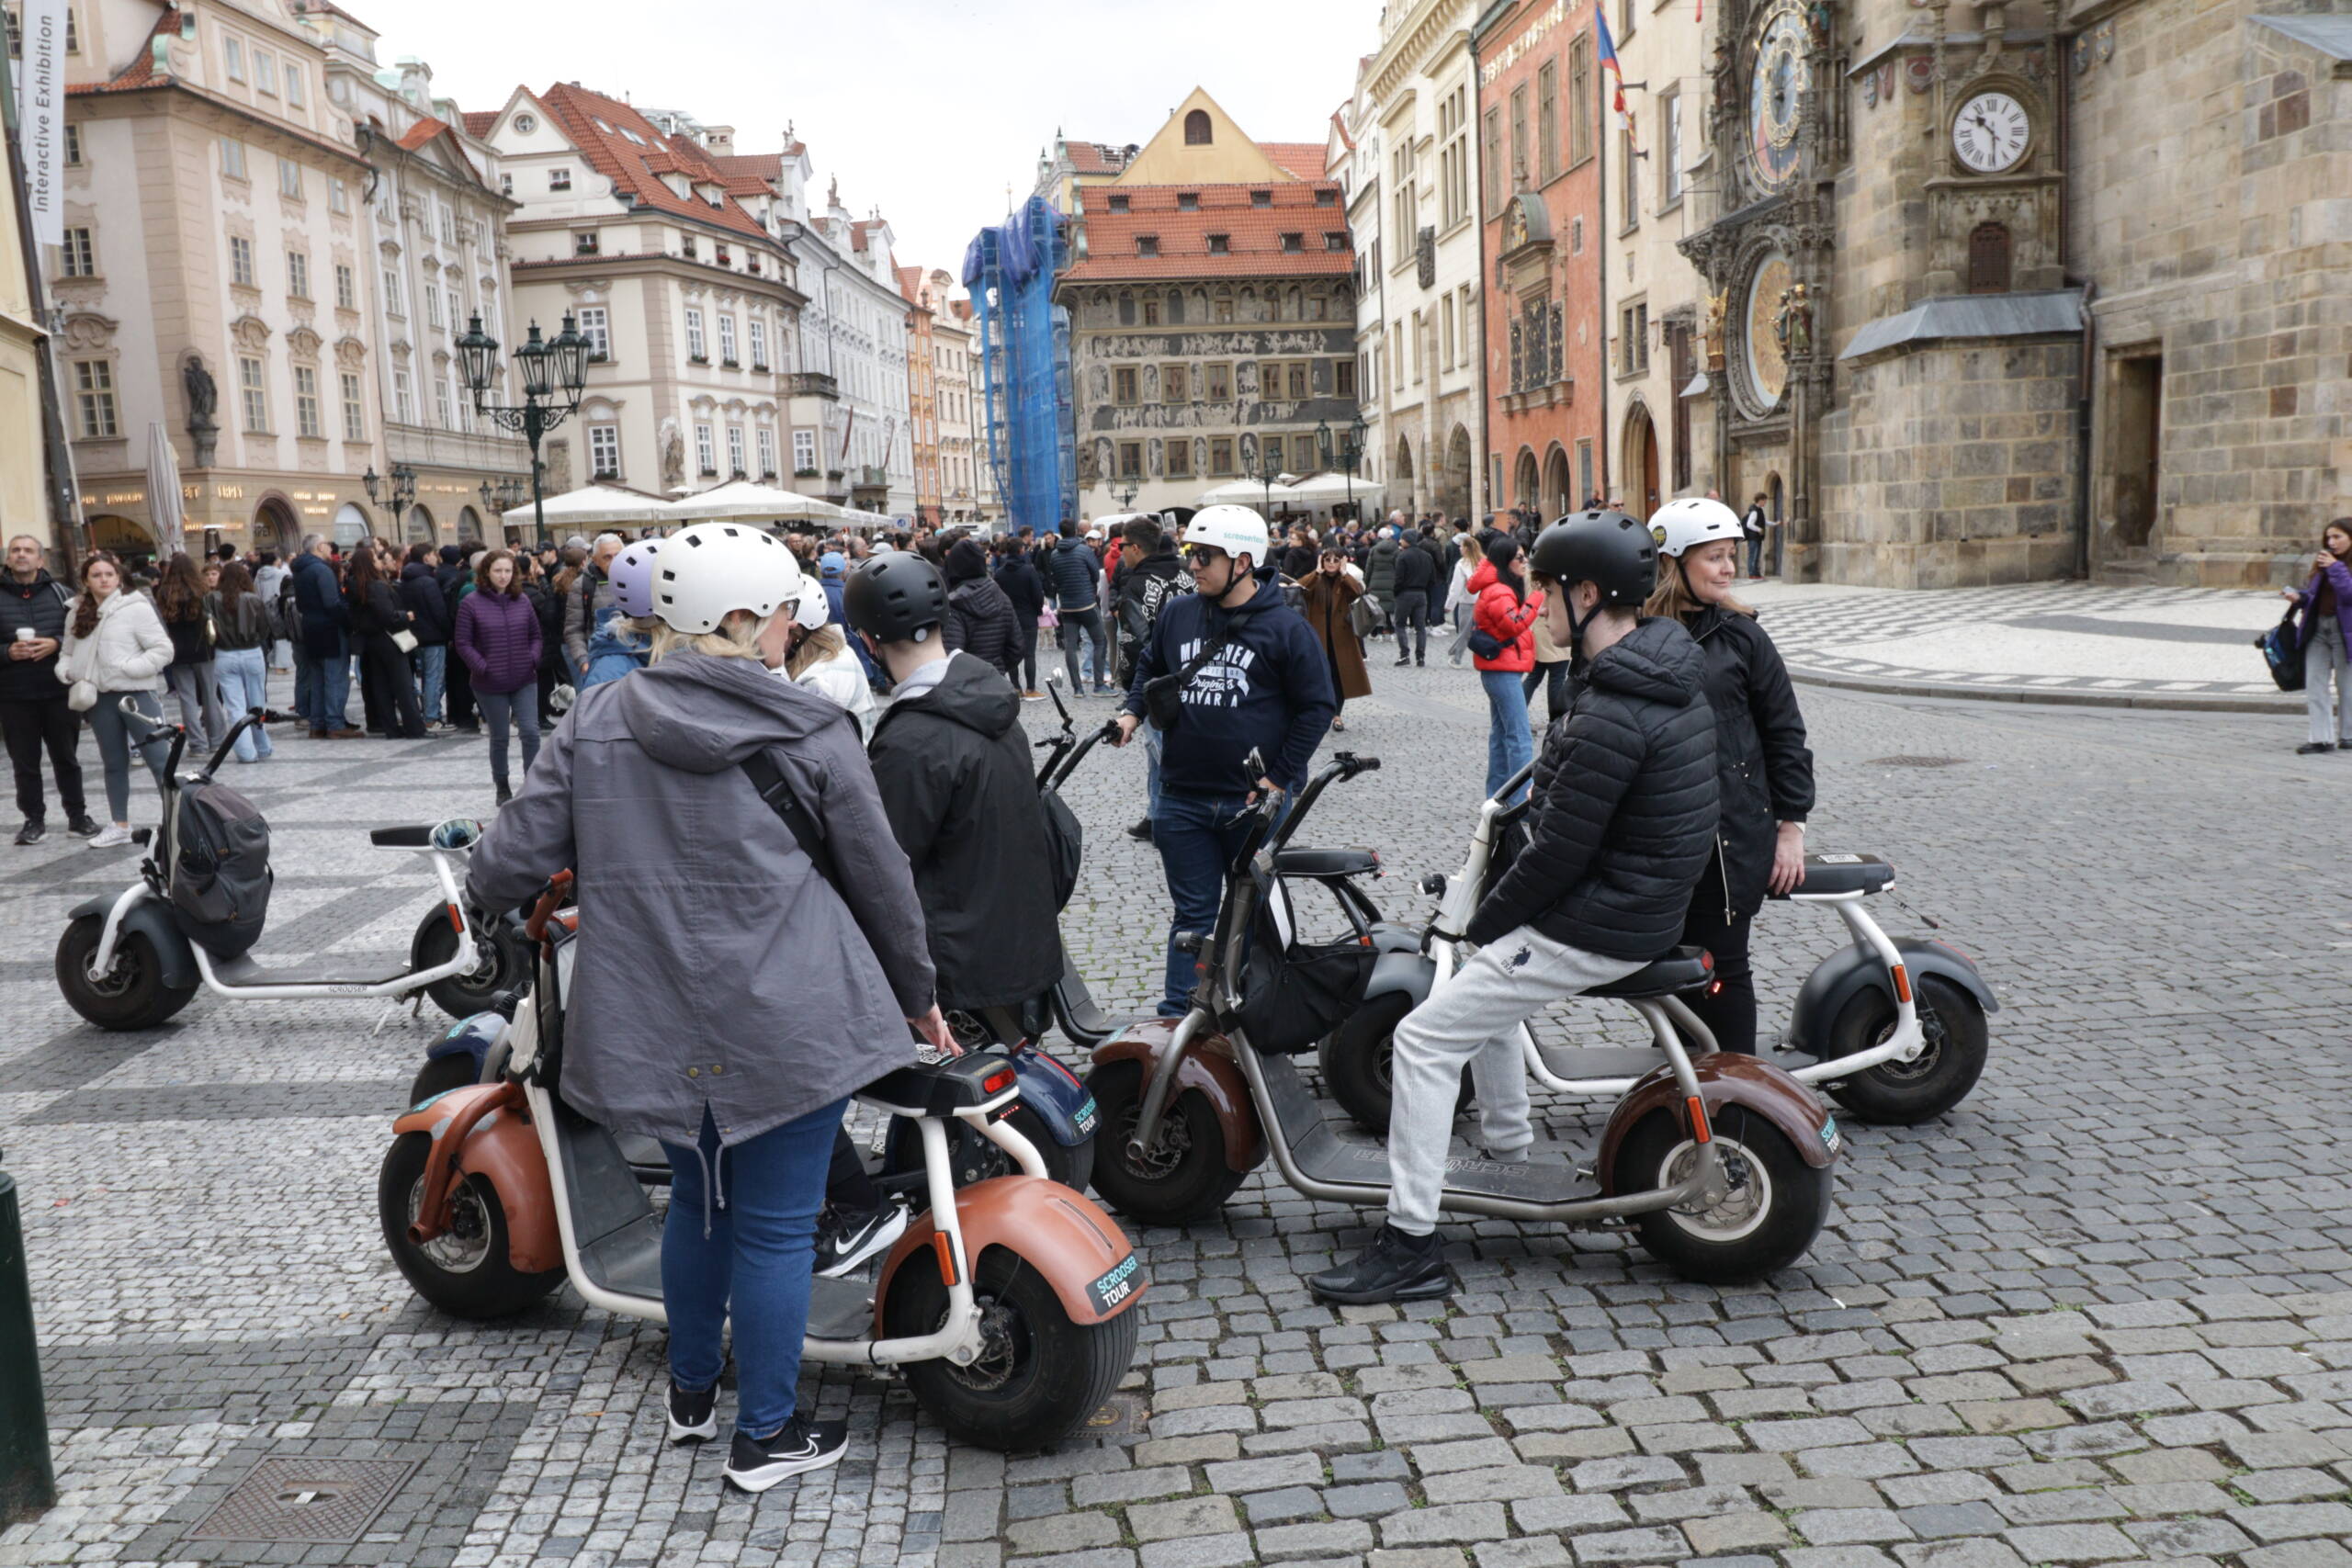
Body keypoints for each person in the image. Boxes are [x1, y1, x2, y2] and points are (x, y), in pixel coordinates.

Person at [466, 521, 948, 1492]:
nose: (788, 634)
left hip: (652, 1014)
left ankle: (693, 1394)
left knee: (696, 1198)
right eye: (777, 617)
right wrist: (918, 998)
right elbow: (881, 880)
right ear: (735, 619)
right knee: (773, 1224)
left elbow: (499, 864)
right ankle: (764, 1436)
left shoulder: (594, 720)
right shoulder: (810, 726)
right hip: (792, 1014)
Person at [1310, 512, 1719, 1303]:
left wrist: (1484, 916)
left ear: (1589, 594)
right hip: (1639, 903)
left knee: (1425, 1037)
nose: (1539, 605)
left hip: (1608, 920)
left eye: (1548, 590)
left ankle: (1411, 1243)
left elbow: (1559, 852)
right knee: (1479, 974)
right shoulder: (1658, 673)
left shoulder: (1610, 708)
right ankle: (1505, 1144)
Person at [825, 551, 1063, 1270]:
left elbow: (880, 869)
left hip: (956, 961)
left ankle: (909, 1234)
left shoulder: (914, 737)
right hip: (1014, 941)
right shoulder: (987, 698)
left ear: (868, 642)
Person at [1112, 505, 1337, 1018]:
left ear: (1242, 561)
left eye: (1204, 556)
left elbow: (1317, 706)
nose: (1193, 565)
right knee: (1191, 916)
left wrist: (1279, 776)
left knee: (1250, 914)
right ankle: (1179, 1020)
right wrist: (1131, 713)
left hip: (1252, 804)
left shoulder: (1286, 628)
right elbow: (1152, 665)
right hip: (1180, 797)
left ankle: (1251, 1011)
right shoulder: (1179, 612)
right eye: (1192, 554)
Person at [1644, 498, 1815, 1055]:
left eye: (1730, 556)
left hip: (1728, 836)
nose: (1727, 568)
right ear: (1673, 562)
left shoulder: (1744, 637)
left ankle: (1735, 1093)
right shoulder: (1636, 634)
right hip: (1657, 836)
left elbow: (1785, 734)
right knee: (1664, 969)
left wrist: (1792, 828)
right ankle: (1682, 1079)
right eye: (1714, 557)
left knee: (1724, 968)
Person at [56, 554, 175, 847]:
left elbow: (163, 649)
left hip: (136, 694)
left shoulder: (135, 607)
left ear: (119, 577)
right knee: (114, 762)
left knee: (159, 760)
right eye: (96, 575)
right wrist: (67, 672)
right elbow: (67, 652)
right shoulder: (76, 611)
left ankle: (178, 821)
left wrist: (129, 669)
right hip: (98, 697)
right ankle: (119, 824)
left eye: (109, 573)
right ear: (86, 580)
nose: (104, 579)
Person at [2, 535, 95, 842]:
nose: (21, 555)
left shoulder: (61, 594)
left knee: (66, 758)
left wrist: (55, 643)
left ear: (40, 560)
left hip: (58, 691)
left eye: (28, 551)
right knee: (24, 763)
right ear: (7, 559)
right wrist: (7, 652)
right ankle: (33, 821)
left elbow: (81, 635)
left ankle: (78, 817)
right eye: (16, 550)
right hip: (15, 695)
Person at [1112, 516, 1192, 833]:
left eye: (1121, 546)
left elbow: (1132, 644)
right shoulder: (1187, 573)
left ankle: (1175, 818)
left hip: (1157, 682)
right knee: (1159, 751)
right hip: (1195, 671)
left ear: (1134, 547)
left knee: (1163, 753)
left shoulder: (1136, 585)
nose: (1119, 553)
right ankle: (1156, 814)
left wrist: (1133, 697)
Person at [455, 549, 544, 805]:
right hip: (489, 683)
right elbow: (463, 642)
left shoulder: (523, 601)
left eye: (507, 571)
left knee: (530, 731)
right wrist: (482, 666)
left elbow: (536, 636)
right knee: (501, 735)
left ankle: (533, 784)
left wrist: (532, 658)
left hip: (523, 678)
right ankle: (502, 785)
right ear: (486, 572)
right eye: (498, 571)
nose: (503, 576)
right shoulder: (471, 602)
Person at [1470, 536, 1541, 800]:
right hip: (1503, 670)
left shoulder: (1497, 587)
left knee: (1501, 736)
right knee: (1519, 737)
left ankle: (1498, 795)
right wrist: (1536, 600)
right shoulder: (1499, 590)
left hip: (1500, 668)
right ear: (1505, 561)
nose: (1524, 562)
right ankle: (1522, 799)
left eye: (1525, 556)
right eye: (1519, 558)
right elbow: (1514, 623)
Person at [2282, 519, 2352, 755]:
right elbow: (2315, 596)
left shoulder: (2336, 565)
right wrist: (2300, 597)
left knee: (2347, 686)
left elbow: (2349, 594)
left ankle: (2349, 735)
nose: (2331, 542)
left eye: (2337, 537)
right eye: (2328, 538)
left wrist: (2335, 568)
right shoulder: (2323, 564)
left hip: (2345, 632)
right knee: (2315, 684)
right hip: (2318, 629)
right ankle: (2321, 739)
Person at [347, 549, 426, 739]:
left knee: (381, 685)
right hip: (388, 639)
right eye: (375, 558)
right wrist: (405, 616)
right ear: (368, 564)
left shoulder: (356, 585)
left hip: (371, 641)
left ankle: (391, 728)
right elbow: (387, 616)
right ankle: (415, 728)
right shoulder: (376, 586)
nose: (379, 561)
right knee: (403, 685)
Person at [290, 535, 359, 739]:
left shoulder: (300, 570)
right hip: (330, 630)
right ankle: (335, 723)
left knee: (318, 678)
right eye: (328, 544)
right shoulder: (321, 570)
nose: (330, 548)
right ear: (320, 547)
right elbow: (332, 603)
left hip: (310, 627)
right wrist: (348, 621)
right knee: (336, 677)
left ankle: (317, 724)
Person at [205, 562, 275, 762]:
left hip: (224, 654)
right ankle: (262, 746)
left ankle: (246, 752)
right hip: (252, 652)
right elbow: (264, 630)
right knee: (256, 703)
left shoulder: (210, 599)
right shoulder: (253, 600)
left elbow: (207, 627)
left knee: (235, 707)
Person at [154, 554, 225, 752]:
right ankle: (217, 740)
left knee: (187, 698)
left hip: (177, 652)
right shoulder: (202, 591)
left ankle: (197, 743)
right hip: (203, 648)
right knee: (210, 694)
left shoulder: (164, 592)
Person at [1299, 547, 1371, 733]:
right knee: (1319, 677)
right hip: (1318, 636)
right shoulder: (1315, 578)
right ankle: (1318, 713)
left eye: (1335, 560)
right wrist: (1316, 572)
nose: (1331, 563)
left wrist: (1345, 573)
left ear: (1342, 561)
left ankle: (1337, 715)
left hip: (1342, 638)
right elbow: (1300, 588)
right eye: (1327, 559)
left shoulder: (1345, 580)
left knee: (1339, 677)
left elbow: (1358, 592)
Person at [938, 537, 1022, 679]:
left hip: (966, 687)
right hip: (997, 682)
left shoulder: (953, 604)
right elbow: (1017, 647)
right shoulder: (1002, 597)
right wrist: (997, 669)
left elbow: (952, 655)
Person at [1046, 523, 1109, 694]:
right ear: (1075, 532)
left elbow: (1055, 579)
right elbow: (1096, 575)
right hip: (1087, 603)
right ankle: (1099, 685)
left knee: (1071, 647)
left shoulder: (1054, 554)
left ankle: (1077, 689)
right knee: (1100, 641)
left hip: (1067, 606)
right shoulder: (1084, 551)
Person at [402, 544, 456, 728]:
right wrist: (449, 633)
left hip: (416, 635)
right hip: (433, 635)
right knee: (434, 676)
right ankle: (431, 717)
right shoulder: (427, 581)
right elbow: (439, 611)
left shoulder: (407, 579)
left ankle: (429, 714)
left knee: (426, 676)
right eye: (433, 555)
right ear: (426, 558)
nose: (436, 558)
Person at [993, 537, 1047, 699]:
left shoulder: (1000, 573)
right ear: (1021, 551)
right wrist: (1038, 611)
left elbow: (996, 596)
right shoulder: (1028, 570)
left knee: (1011, 654)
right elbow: (1038, 595)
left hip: (1008, 618)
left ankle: (1016, 688)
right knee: (1029, 654)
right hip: (1028, 616)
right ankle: (1031, 689)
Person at [1388, 526, 1437, 668]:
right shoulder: (1427, 556)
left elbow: (1398, 579)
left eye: (1402, 539)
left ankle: (1404, 655)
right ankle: (1420, 657)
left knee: (1400, 624)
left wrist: (1396, 592)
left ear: (1407, 540)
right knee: (1420, 627)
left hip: (1405, 593)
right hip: (1421, 594)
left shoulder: (1402, 556)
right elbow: (1432, 579)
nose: (1400, 541)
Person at [1443, 532, 1485, 665]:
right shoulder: (1484, 562)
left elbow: (1456, 587)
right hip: (1483, 601)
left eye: (1461, 546)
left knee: (1464, 631)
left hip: (1467, 601)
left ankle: (1456, 658)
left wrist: (1449, 605)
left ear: (1466, 548)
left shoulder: (1462, 564)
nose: (1459, 549)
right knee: (1479, 631)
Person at [251, 549, 292, 673]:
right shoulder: (281, 573)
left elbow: (255, 591)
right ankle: (281, 665)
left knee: (266, 636)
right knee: (281, 636)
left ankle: (270, 660)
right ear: (275, 560)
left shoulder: (259, 574)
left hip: (262, 607)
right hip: (277, 606)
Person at [1740, 494, 1770, 580]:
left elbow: (1764, 522)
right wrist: (1759, 529)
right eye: (1764, 501)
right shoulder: (1754, 511)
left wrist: (1775, 523)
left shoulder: (1759, 510)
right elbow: (1749, 524)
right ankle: (1752, 574)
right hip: (1753, 537)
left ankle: (1756, 573)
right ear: (1760, 500)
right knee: (1753, 556)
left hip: (1757, 537)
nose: (1765, 503)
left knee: (1756, 556)